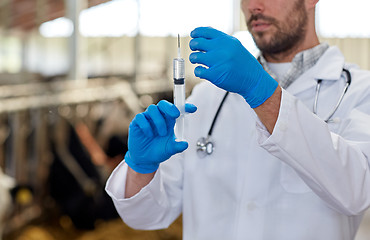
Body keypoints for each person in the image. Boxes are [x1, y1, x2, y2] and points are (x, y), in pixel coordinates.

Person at [105, 0, 370, 239]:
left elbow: (358, 191)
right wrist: (142, 168)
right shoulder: (208, 97)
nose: (254, 5)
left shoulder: (358, 91)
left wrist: (261, 91)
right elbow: (148, 216)